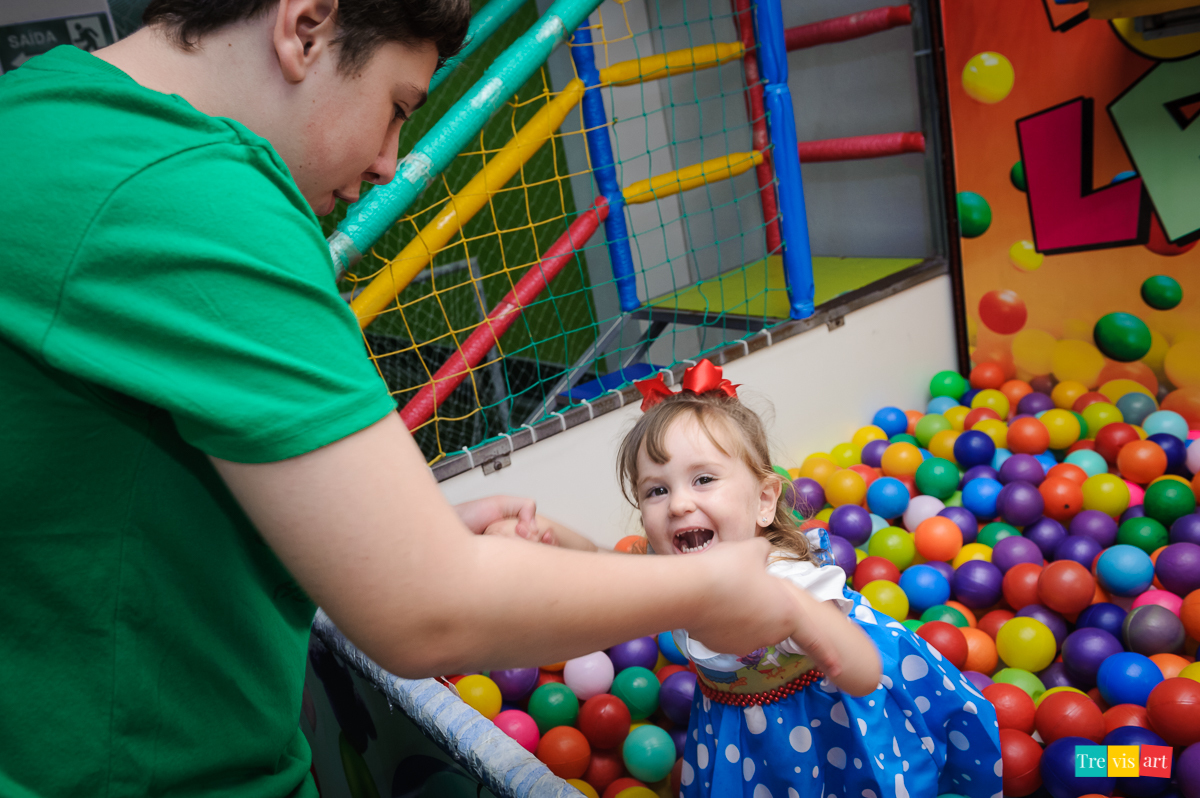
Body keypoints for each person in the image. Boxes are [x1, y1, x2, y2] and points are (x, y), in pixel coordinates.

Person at [0, 2, 850, 796]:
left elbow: (99, 487)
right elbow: (425, 615)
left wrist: (396, 533)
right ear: (306, 27)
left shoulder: (38, 111)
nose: (387, 161)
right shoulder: (194, 197)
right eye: (398, 105)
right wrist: (716, 589)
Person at [615, 359, 1003, 798]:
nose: (679, 504)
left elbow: (863, 671)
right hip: (744, 732)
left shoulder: (789, 582)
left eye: (703, 479)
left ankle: (1098, 767)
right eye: (656, 490)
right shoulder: (668, 578)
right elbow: (598, 592)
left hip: (832, 721)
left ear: (764, 501)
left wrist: (801, 616)